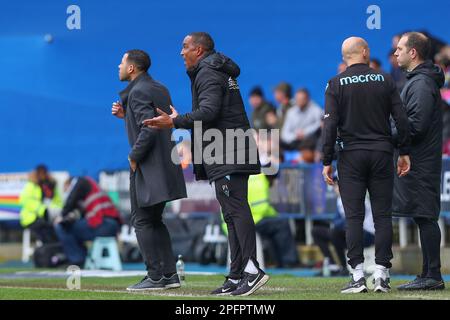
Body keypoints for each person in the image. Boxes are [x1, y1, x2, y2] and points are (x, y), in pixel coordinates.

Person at [143, 32, 269, 296]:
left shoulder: (208, 72)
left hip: (227, 149)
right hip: (227, 147)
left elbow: (209, 112)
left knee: (236, 211)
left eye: (185, 47)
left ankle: (252, 269)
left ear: (199, 50)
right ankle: (236, 275)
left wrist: (174, 122)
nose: (181, 52)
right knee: (230, 215)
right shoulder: (216, 70)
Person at [322, 37, 411, 294]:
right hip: (382, 153)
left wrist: (327, 160)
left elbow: (329, 126)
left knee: (354, 217)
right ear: (364, 52)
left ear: (345, 57)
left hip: (350, 157)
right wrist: (403, 151)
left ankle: (358, 276)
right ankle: (381, 275)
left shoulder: (335, 84)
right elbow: (401, 119)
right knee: (383, 216)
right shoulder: (384, 79)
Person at [112, 49, 187, 291]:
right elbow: (150, 121)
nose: (119, 66)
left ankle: (155, 276)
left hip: (148, 165)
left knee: (142, 220)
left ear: (132, 68)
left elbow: (150, 128)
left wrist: (134, 156)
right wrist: (126, 116)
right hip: (166, 163)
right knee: (155, 220)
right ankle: (169, 275)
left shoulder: (138, 90)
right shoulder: (159, 88)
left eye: (122, 62)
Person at [393, 32, 446, 291]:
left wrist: (386, 132)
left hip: (422, 161)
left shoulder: (422, 84)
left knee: (425, 216)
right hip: (420, 159)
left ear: (413, 53)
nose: (396, 53)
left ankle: (433, 275)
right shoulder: (418, 81)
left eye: (400, 49)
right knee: (423, 216)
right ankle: (428, 273)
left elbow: (416, 125)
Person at [313, 178, 374, 277]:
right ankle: (333, 266)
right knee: (316, 231)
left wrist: (335, 226)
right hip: (349, 231)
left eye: (338, 185)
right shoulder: (339, 200)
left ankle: (344, 267)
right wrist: (334, 225)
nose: (336, 188)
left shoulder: (357, 197)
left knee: (335, 232)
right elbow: (337, 220)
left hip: (367, 234)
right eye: (336, 186)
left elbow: (352, 220)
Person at [54, 176, 122, 267]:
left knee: (61, 227)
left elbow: (70, 202)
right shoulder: (89, 186)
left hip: (103, 224)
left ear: (69, 185)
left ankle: (77, 260)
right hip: (112, 225)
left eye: (66, 190)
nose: (66, 192)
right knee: (73, 227)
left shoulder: (81, 181)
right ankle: (80, 258)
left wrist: (61, 216)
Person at [19, 165, 62, 244]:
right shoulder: (31, 185)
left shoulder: (51, 185)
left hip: (50, 217)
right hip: (32, 218)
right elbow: (26, 201)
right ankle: (48, 251)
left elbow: (58, 202)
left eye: (44, 173)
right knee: (46, 232)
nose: (42, 175)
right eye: (40, 173)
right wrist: (43, 210)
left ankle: (55, 251)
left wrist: (54, 211)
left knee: (60, 230)